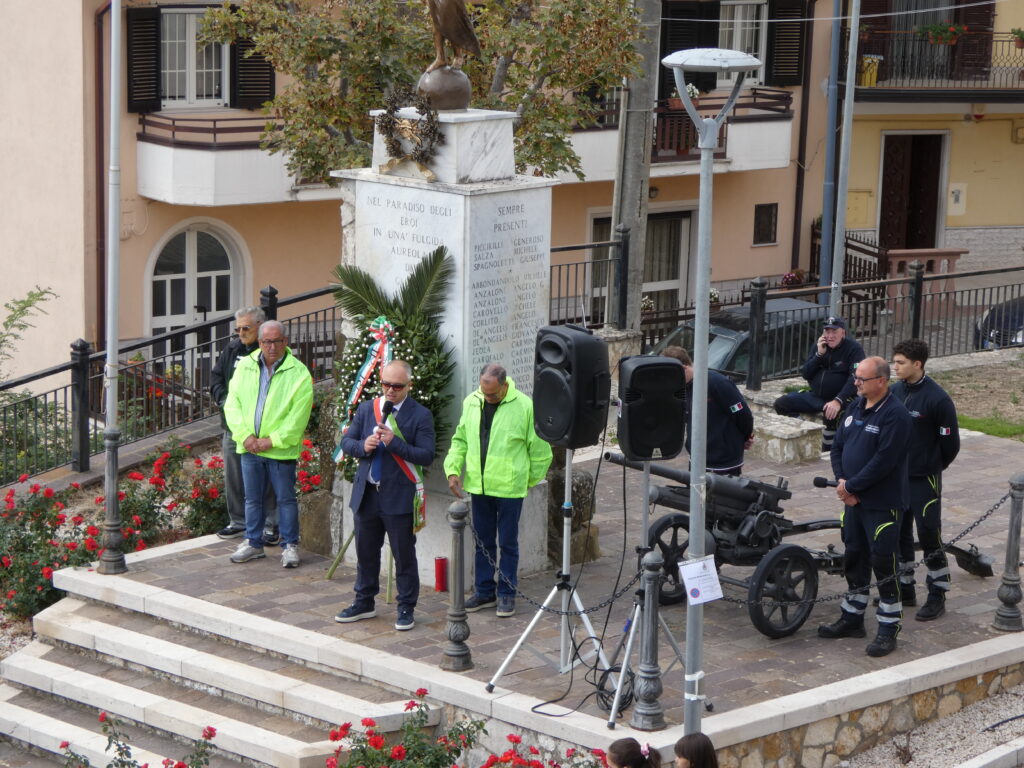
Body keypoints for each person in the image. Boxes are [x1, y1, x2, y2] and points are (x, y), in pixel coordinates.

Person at [819, 356, 912, 657]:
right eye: (855, 377)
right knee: (855, 556)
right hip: (853, 501)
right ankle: (852, 618)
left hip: (882, 504)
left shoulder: (896, 415)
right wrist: (843, 483)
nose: (855, 383)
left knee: (883, 562)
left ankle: (889, 627)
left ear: (881, 381)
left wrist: (852, 487)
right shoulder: (856, 407)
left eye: (862, 379)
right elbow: (837, 447)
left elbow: (884, 461)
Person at [444, 363, 552, 618]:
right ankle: (484, 591)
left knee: (508, 543)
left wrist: (526, 480)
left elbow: (540, 451)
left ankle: (506, 593)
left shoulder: (525, 406)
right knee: (482, 542)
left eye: (492, 393)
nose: (487, 397)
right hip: (479, 486)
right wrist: (453, 470)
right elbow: (460, 440)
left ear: (504, 385)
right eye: (484, 392)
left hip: (509, 489)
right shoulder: (472, 402)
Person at [335, 360, 435, 631]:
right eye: (386, 384)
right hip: (367, 493)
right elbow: (346, 441)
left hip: (398, 496)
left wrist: (395, 442)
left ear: (409, 386)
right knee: (366, 552)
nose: (390, 390)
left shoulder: (420, 415)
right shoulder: (368, 408)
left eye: (397, 386)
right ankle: (364, 601)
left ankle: (406, 606)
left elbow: (426, 455)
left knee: (403, 555)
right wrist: (362, 446)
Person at [223, 320, 314, 569]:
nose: (271, 347)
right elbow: (232, 404)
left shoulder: (299, 373)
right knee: (252, 499)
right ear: (260, 342)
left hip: (280, 450)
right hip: (250, 446)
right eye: (266, 342)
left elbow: (298, 417)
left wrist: (271, 441)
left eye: (276, 341)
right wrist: (245, 436)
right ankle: (253, 543)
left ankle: (290, 546)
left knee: (286, 499)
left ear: (285, 341)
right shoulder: (245, 366)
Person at [890, 339, 960, 621]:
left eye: (900, 363)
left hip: (924, 479)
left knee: (929, 533)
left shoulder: (938, 399)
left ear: (917, 364)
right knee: (899, 533)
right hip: (898, 478)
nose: (895, 367)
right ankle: (905, 588)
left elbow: (950, 444)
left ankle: (937, 593)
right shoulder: (895, 391)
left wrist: (932, 465)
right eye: (894, 361)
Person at [209, 307, 279, 544]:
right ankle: (239, 522)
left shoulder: (270, 352)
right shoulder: (232, 349)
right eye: (237, 329)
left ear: (260, 326)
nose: (240, 333)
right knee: (235, 477)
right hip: (233, 426)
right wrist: (224, 400)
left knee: (267, 477)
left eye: (245, 328)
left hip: (262, 428)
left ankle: (270, 525)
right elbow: (216, 379)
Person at [773, 316, 866, 452]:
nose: (830, 336)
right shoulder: (819, 347)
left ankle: (828, 450)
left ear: (843, 332)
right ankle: (806, 431)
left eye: (834, 332)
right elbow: (806, 374)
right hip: (816, 397)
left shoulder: (854, 349)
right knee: (782, 403)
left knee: (833, 414)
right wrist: (818, 355)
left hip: (843, 398)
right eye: (827, 331)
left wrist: (838, 400)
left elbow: (855, 377)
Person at [662, 346, 754, 476]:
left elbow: (743, 414)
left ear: (683, 368)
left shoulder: (717, 382)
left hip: (724, 460)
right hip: (697, 458)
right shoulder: (681, 388)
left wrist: (745, 438)